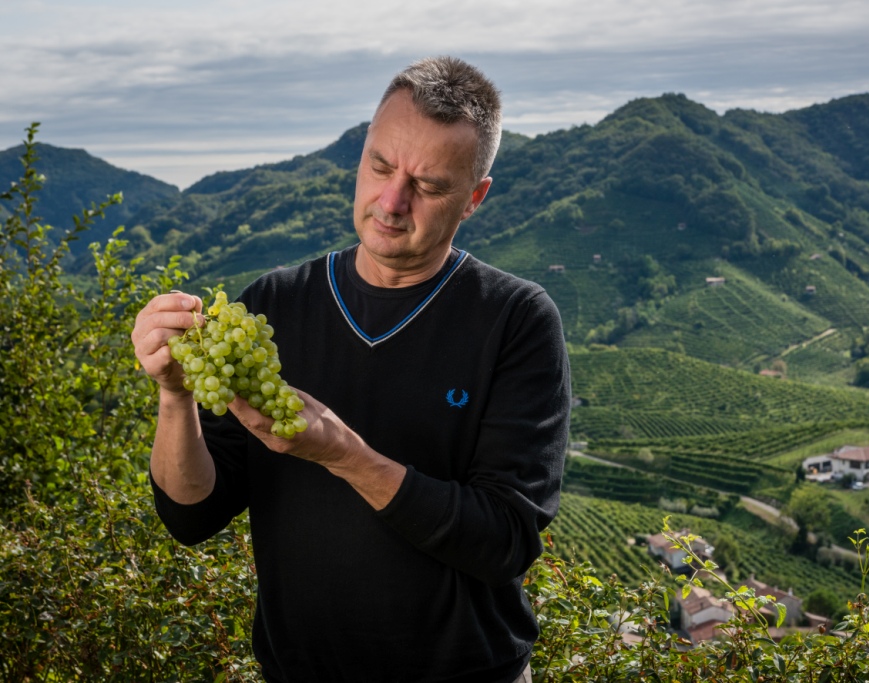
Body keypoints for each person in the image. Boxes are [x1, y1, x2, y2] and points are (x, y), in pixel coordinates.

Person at [131, 56, 571, 682]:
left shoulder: (517, 320)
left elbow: (503, 540)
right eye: (380, 166)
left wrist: (345, 455)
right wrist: (174, 397)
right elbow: (191, 515)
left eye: (430, 185)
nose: (392, 202)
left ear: (474, 198)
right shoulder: (274, 304)